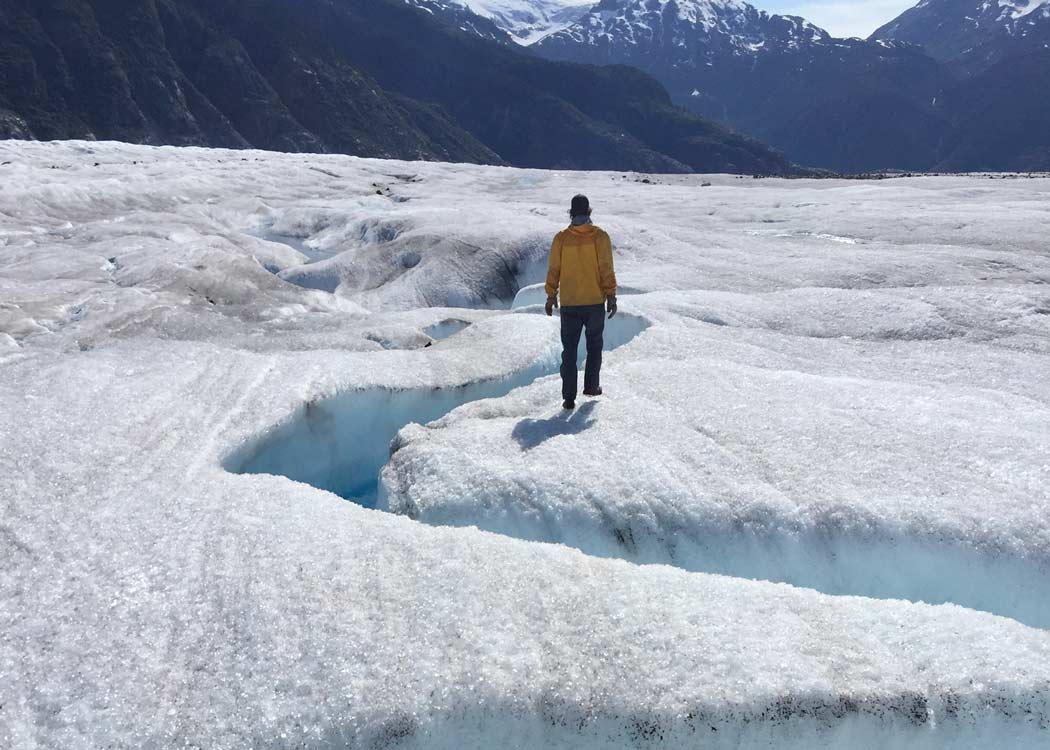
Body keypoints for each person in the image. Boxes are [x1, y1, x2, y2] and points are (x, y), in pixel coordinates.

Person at [544, 194, 617, 410]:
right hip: (594, 302)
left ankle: (568, 397)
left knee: (569, 351)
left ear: (571, 213)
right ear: (589, 212)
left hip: (569, 304)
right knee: (594, 346)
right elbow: (606, 269)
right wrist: (611, 295)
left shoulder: (561, 239)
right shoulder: (599, 236)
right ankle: (591, 386)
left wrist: (550, 295)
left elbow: (554, 269)